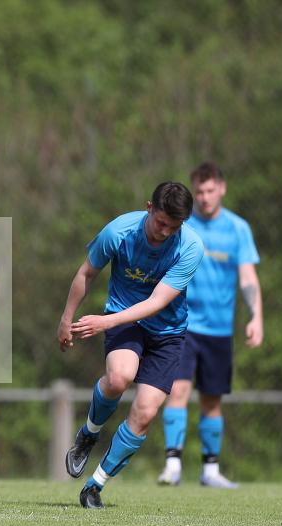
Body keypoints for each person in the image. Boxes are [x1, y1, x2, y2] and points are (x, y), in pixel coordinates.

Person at [57, 182, 204, 509]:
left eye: (173, 226)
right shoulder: (119, 232)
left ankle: (96, 485)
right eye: (160, 222)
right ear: (149, 207)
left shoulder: (191, 247)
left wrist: (103, 322)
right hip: (126, 322)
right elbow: (86, 273)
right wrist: (67, 318)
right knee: (120, 378)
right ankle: (89, 434)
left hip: (167, 332)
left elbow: (157, 302)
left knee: (146, 411)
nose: (164, 232)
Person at [158, 162, 263, 489]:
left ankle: (210, 470)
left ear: (222, 188)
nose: (204, 197)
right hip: (183, 323)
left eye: (209, 190)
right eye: (199, 191)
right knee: (177, 390)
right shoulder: (183, 227)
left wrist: (256, 315)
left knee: (212, 399)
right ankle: (172, 465)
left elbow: (247, 277)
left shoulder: (238, 229)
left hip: (220, 329)